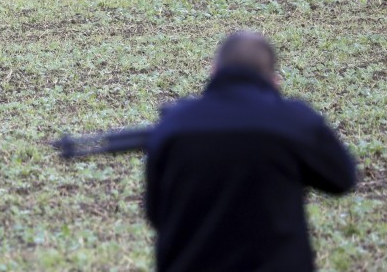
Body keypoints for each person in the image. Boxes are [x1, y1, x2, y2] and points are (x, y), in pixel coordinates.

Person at [145, 31, 357, 272]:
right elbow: (342, 179)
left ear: (214, 70)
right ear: (273, 79)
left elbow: (155, 211)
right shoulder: (293, 120)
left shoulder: (174, 123)